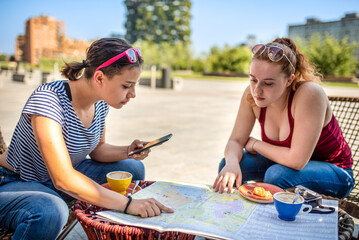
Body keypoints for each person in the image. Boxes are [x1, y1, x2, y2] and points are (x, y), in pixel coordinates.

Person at [0, 38, 173, 240]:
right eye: (127, 86)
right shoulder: (48, 100)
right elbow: (62, 178)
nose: (132, 94)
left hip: (61, 178)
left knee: (132, 168)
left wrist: (128, 150)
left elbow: (98, 150)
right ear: (99, 78)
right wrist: (126, 204)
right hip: (17, 181)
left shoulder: (100, 105)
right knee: (51, 212)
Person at [213, 37, 354, 199]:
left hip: (336, 172)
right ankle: (233, 214)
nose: (257, 90)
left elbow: (297, 160)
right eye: (253, 80)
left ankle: (271, 221)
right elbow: (235, 141)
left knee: (276, 175)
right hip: (285, 165)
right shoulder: (251, 96)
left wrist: (255, 144)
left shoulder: (309, 94)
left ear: (289, 80)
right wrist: (232, 164)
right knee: (229, 165)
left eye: (268, 83)